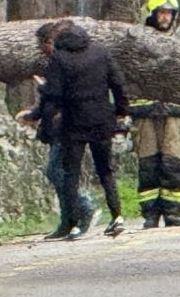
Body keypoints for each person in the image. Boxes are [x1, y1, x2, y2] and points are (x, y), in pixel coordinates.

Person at [36, 19, 130, 239]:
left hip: (74, 122)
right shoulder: (100, 52)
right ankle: (117, 216)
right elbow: (117, 82)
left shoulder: (59, 59)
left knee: (72, 173)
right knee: (105, 170)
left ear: (58, 40)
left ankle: (74, 223)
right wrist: (121, 110)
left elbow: (53, 95)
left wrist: (45, 123)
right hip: (101, 119)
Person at [16, 21, 96, 241]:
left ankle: (82, 206)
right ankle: (67, 221)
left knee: (56, 170)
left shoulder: (69, 64)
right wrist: (34, 113)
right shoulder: (54, 65)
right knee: (57, 171)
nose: (44, 48)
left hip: (70, 125)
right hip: (56, 127)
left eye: (47, 42)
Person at [131, 0, 180, 228]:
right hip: (145, 114)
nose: (165, 17)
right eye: (161, 12)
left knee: (172, 163)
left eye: (168, 13)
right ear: (152, 15)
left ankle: (173, 213)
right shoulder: (137, 42)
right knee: (148, 165)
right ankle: (150, 214)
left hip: (174, 113)